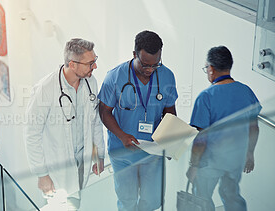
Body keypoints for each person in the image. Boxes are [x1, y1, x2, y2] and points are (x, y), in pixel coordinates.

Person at [98, 30, 178, 211]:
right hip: (123, 151)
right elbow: (104, 112)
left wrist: (172, 141)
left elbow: (169, 110)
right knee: (127, 200)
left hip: (153, 152)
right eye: (145, 64)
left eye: (155, 65)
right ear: (134, 54)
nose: (150, 70)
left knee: (152, 201)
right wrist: (122, 135)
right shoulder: (115, 77)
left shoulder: (167, 76)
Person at [24, 38, 105, 210]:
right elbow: (32, 135)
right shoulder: (45, 89)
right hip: (57, 170)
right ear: (73, 64)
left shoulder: (91, 83)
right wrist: (42, 174)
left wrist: (100, 153)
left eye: (95, 61)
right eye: (90, 63)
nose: (95, 67)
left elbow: (95, 121)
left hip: (83, 164)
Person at [186, 46, 261, 211]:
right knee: (231, 194)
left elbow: (201, 138)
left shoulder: (206, 97)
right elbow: (254, 128)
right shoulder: (246, 91)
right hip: (235, 159)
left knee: (202, 198)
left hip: (210, 163)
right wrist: (249, 153)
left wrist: (193, 165)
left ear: (211, 69)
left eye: (206, 68)